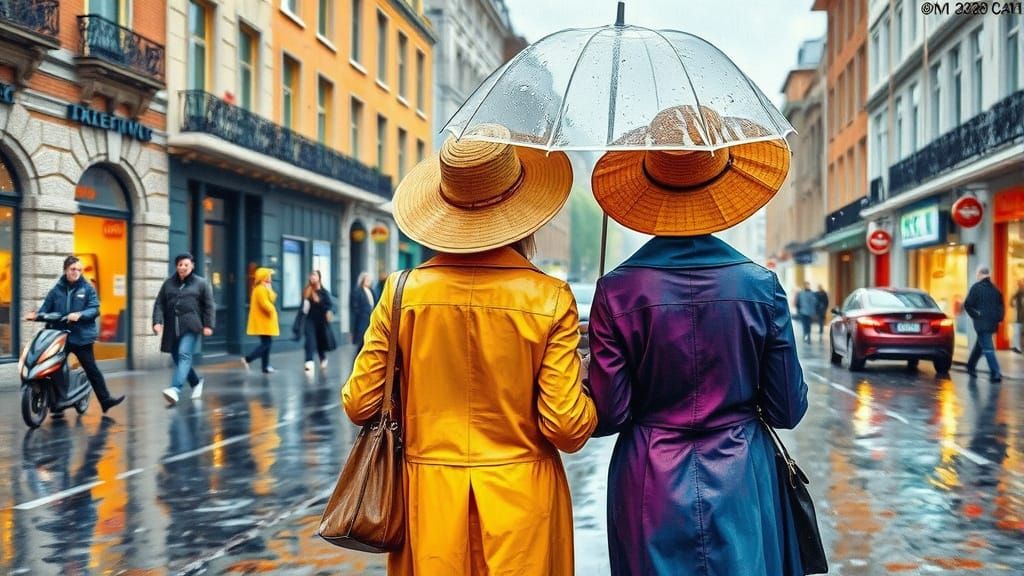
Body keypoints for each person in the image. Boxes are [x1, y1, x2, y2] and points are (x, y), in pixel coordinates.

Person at [343, 125, 597, 574]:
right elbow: (567, 428)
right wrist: (585, 379)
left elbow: (360, 401)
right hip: (524, 509)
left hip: (428, 504)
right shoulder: (550, 298)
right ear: (523, 211)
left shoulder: (402, 292)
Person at [587, 108, 809, 575]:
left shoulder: (616, 290)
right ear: (718, 181)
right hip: (742, 476)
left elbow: (609, 416)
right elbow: (788, 408)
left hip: (648, 481)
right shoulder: (761, 285)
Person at [28, 256, 125, 413]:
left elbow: (94, 309)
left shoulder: (87, 289)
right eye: (73, 269)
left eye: (79, 270)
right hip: (59, 337)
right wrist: (36, 315)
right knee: (54, 366)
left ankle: (106, 400)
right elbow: (45, 308)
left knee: (91, 369)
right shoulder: (56, 290)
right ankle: (59, 400)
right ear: (65, 270)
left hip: (81, 337)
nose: (76, 272)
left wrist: (80, 314)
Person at [153, 253, 214, 406]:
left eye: (186, 265)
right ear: (177, 266)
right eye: (180, 265)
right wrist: (157, 321)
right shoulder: (168, 283)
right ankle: (196, 382)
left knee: (184, 355)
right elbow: (159, 303)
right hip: (172, 328)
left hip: (192, 326)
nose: (183, 268)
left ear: (192, 266)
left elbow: (209, 306)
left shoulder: (201, 283)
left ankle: (175, 389)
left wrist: (208, 325)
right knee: (177, 358)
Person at [964, 266, 1004, 382]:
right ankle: (971, 366)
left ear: (981, 274)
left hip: (981, 324)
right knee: (982, 345)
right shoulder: (996, 290)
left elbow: (967, 304)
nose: (977, 276)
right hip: (992, 324)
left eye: (977, 274)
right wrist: (999, 319)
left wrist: (976, 315)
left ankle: (995, 373)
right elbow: (1001, 307)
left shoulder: (976, 288)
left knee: (987, 348)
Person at [241, 267, 279, 374]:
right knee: (266, 344)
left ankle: (265, 367)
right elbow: (265, 304)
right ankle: (248, 359)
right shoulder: (260, 289)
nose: (270, 277)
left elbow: (272, 298)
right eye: (268, 275)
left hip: (265, 321)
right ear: (264, 277)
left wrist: (269, 288)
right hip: (263, 321)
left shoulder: (264, 288)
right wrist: (273, 310)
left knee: (266, 343)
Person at [300, 270, 336, 372]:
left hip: (321, 321)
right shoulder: (307, 290)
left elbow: (329, 306)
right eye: (311, 275)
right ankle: (309, 361)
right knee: (310, 340)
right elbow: (303, 307)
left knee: (320, 341)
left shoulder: (324, 292)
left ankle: (323, 357)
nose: (312, 277)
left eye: (314, 275)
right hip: (309, 320)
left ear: (319, 278)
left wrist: (327, 309)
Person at [348, 271, 375, 358]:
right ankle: (358, 360)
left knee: (368, 342)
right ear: (362, 280)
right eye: (367, 279)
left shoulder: (371, 291)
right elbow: (354, 308)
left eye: (369, 280)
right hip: (361, 321)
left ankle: (362, 360)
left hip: (371, 320)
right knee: (362, 342)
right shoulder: (357, 291)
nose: (368, 281)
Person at [1010, 278, 1024, 354]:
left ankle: (1018, 348)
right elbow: (1011, 302)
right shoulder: (1018, 293)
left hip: (1021, 317)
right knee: (1017, 332)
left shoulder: (1020, 292)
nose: (1020, 285)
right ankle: (1017, 348)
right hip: (1019, 317)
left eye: (1021, 284)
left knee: (1019, 333)